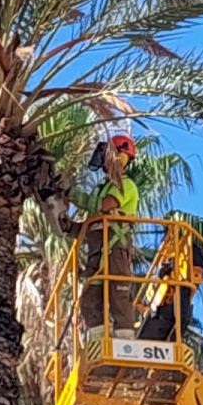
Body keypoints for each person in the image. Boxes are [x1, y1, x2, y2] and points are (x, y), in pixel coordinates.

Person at [80, 134, 139, 340]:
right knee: (90, 297)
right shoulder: (103, 188)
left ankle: (125, 342)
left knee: (118, 293)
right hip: (99, 251)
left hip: (115, 248)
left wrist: (74, 195)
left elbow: (105, 206)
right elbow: (92, 224)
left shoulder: (125, 185)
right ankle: (97, 341)